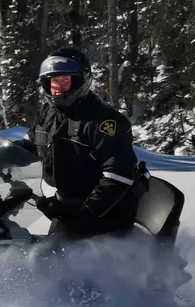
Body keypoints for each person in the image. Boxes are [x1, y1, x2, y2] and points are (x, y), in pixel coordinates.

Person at [24, 46, 147, 238]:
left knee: (57, 258)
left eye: (65, 80)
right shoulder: (47, 113)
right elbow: (31, 146)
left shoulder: (104, 121)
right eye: (54, 81)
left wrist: (86, 213)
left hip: (108, 207)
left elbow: (118, 174)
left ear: (81, 80)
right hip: (69, 200)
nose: (59, 87)